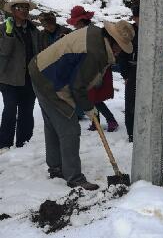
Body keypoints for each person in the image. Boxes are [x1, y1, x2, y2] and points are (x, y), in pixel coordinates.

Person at [29, 20, 134, 190]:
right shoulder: (95, 51)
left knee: (53, 124)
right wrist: (89, 108)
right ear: (113, 41)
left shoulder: (96, 36)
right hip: (49, 80)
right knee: (69, 129)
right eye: (120, 46)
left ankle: (56, 167)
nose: (120, 51)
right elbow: (78, 86)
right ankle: (74, 177)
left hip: (39, 69)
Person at [0, 0, 42, 151]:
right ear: (12, 10)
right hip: (8, 78)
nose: (24, 11)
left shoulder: (34, 30)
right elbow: (3, 53)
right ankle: (4, 143)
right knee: (10, 109)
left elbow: (39, 52)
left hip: (29, 78)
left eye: (26, 8)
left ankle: (24, 143)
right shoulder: (3, 29)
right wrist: (9, 35)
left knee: (27, 111)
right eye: (20, 8)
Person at [67, 5, 119, 133]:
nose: (74, 26)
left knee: (95, 98)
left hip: (99, 69)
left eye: (75, 23)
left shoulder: (93, 32)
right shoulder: (85, 32)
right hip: (89, 69)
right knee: (91, 98)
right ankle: (96, 122)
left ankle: (111, 120)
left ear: (80, 21)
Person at [118, 3, 139, 143]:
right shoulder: (129, 31)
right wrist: (125, 74)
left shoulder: (154, 29)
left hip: (149, 70)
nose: (138, 19)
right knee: (131, 102)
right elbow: (122, 54)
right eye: (137, 17)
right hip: (132, 70)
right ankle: (131, 132)